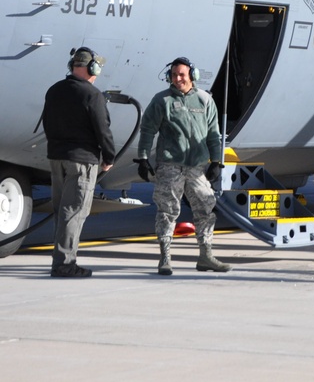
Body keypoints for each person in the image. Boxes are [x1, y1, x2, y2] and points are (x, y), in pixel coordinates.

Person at [135, 57, 230, 276]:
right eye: (174, 75)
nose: (177, 79)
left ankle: (206, 256)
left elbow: (214, 135)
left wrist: (216, 161)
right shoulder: (162, 101)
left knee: (206, 208)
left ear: (192, 76)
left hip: (197, 168)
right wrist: (142, 158)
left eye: (182, 75)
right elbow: (148, 130)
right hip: (170, 167)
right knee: (167, 211)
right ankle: (165, 258)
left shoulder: (205, 100)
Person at [41, 47, 115, 277]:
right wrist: (109, 158)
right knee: (73, 212)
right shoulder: (92, 95)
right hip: (82, 161)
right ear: (91, 67)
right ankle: (64, 264)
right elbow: (103, 131)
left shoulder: (54, 90)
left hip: (56, 158)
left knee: (62, 211)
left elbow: (46, 124)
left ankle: (61, 258)